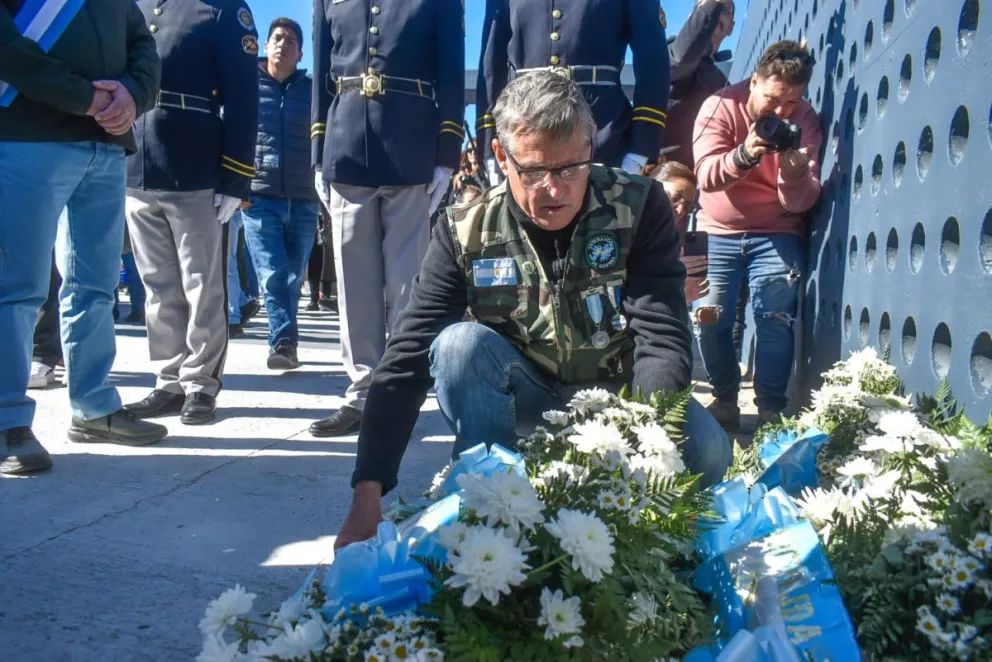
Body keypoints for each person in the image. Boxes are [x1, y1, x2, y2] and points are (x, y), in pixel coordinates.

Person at [334, 72, 732, 549]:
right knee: (459, 347)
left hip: (619, 397)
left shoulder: (638, 206)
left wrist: (647, 447)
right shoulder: (466, 228)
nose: (554, 189)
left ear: (590, 146)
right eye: (535, 171)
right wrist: (368, 489)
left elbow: (661, 332)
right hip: (525, 400)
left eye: (572, 168)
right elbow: (407, 355)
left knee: (707, 452)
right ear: (503, 157)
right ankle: (488, 496)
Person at [0, 0, 167, 475]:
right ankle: (8, 422)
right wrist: (86, 98)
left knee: (95, 286)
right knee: (18, 288)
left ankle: (93, 406)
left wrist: (134, 94)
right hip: (28, 135)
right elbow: (6, 46)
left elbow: (144, 46)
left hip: (106, 146)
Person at [310, 0, 466, 436]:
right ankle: (362, 393)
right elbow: (323, 72)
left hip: (410, 146)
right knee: (354, 287)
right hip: (345, 144)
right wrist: (317, 151)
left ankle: (401, 393)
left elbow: (451, 72)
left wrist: (447, 154)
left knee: (407, 286)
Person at [123, 0, 260, 426]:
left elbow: (243, 96)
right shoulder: (136, 6)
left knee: (203, 287)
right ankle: (168, 380)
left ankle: (201, 383)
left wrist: (236, 176)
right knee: (158, 286)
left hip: (195, 166)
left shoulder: (220, 10)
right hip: (139, 165)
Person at [692, 40, 823, 429]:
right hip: (717, 230)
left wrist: (794, 173)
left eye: (792, 102)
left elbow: (801, 201)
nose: (782, 112)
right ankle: (725, 398)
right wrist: (746, 153)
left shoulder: (806, 119)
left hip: (777, 230)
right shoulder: (719, 106)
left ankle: (770, 409)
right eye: (773, 100)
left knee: (775, 317)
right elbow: (706, 177)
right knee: (708, 314)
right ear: (753, 82)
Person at [475, 0, 670, 181]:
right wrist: (489, 143)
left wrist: (640, 148)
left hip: (603, 136)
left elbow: (653, 61)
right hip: (525, 138)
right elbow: (490, 64)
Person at [241, 18, 321, 370]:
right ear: (265, 45)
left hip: (304, 197)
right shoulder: (246, 85)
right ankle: (284, 342)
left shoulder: (313, 90)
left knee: (293, 276)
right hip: (258, 197)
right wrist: (234, 183)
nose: (283, 44)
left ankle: (287, 341)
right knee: (272, 273)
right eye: (277, 38)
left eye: (291, 40)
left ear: (300, 52)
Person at [664, 0, 736, 169]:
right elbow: (681, 59)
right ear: (693, 18)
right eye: (709, 3)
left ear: (731, 28)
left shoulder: (724, 84)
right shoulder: (666, 53)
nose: (717, 11)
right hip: (659, 174)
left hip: (699, 184)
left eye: (724, 8)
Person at [644, 160, 709, 307]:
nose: (680, 210)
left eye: (687, 206)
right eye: (675, 197)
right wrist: (666, 271)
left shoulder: (671, 241)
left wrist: (681, 295)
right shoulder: (626, 230)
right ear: (651, 186)